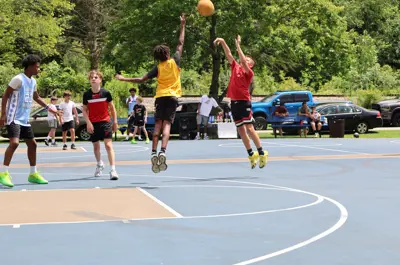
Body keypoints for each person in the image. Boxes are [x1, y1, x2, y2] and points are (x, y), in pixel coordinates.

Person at [115, 13, 186, 173]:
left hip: (161, 97)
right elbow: (180, 43)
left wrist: (123, 78)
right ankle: (163, 151)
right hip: (173, 97)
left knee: (158, 125)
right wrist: (182, 25)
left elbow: (141, 79)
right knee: (167, 125)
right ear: (167, 54)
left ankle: (153, 152)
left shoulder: (158, 68)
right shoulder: (174, 61)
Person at [0, 54, 58, 188]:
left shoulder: (33, 82)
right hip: (13, 117)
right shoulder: (18, 79)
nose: (39, 69)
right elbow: (5, 95)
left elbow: (36, 97)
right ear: (30, 67)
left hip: (24, 119)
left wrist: (49, 108)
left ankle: (33, 174)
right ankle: (4, 173)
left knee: (33, 144)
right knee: (14, 143)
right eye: (37, 67)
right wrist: (3, 115)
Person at [214, 35, 268, 169]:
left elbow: (243, 61)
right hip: (234, 102)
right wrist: (223, 41)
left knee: (249, 128)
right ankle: (251, 154)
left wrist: (238, 45)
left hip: (244, 102)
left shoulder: (249, 73)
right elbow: (229, 54)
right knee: (241, 131)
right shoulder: (235, 67)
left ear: (251, 64)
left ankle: (261, 152)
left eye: (248, 59)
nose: (245, 59)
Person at [82, 70, 119, 180]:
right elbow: (84, 110)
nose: (93, 79)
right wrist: (88, 122)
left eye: (96, 77)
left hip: (105, 122)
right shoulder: (87, 94)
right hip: (93, 123)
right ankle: (99, 164)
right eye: (91, 77)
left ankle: (113, 170)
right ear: (89, 80)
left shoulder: (106, 93)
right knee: (96, 146)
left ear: (100, 80)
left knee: (108, 145)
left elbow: (112, 108)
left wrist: (115, 121)